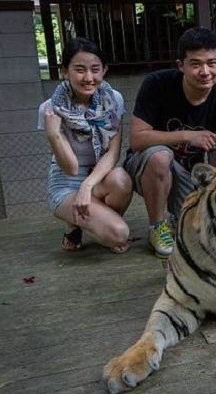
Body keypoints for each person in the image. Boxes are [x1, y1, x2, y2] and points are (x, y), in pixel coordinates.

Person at [124, 27, 216, 258]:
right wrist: (186, 135)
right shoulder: (157, 84)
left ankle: (177, 214)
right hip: (144, 165)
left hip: (186, 174)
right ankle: (157, 226)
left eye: (212, 63)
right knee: (161, 156)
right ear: (180, 65)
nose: (205, 71)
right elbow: (136, 139)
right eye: (195, 64)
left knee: (206, 231)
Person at [39, 37, 132, 253]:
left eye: (95, 69)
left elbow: (113, 153)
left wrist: (87, 186)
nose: (89, 78)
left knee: (121, 179)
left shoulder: (113, 99)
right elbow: (70, 168)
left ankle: (85, 223)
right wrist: (53, 134)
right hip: (65, 183)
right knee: (119, 235)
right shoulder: (51, 109)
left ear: (104, 70)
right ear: (65, 71)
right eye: (80, 70)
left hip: (98, 176)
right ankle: (83, 225)